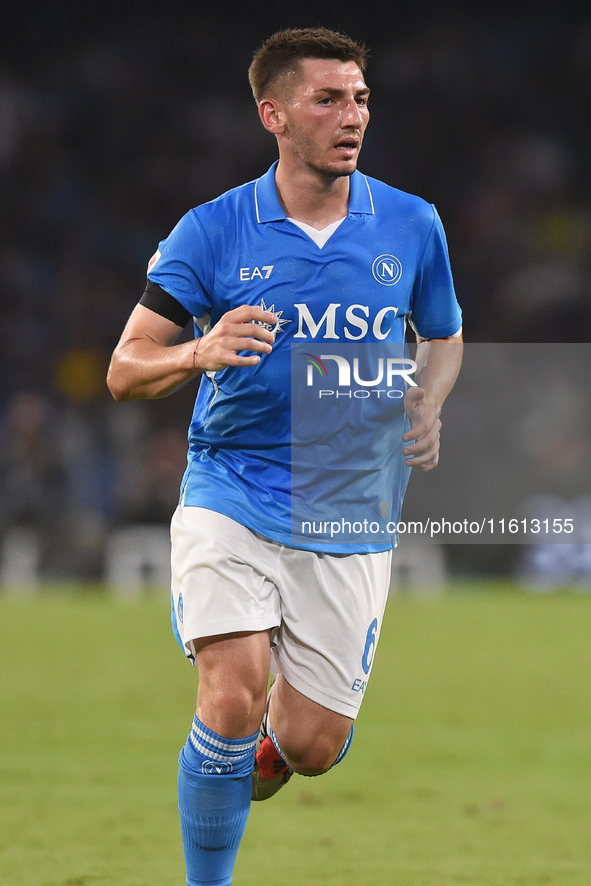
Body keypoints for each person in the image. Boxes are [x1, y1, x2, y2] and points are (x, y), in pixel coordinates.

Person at [107, 27, 463, 886]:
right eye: (329, 99)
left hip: (347, 506)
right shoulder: (211, 230)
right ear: (273, 114)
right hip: (230, 485)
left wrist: (430, 395)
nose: (353, 116)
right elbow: (126, 368)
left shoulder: (412, 224)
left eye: (361, 99)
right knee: (231, 694)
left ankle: (271, 747)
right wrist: (195, 352)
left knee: (311, 746)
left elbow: (444, 335)